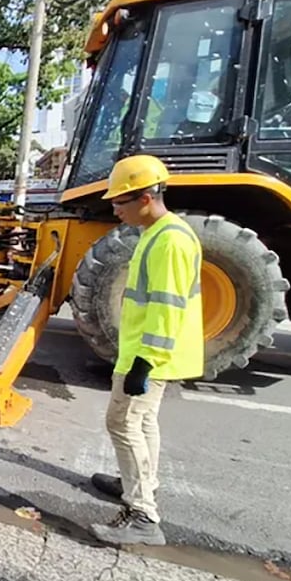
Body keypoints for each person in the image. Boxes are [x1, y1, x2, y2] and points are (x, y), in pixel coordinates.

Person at [89, 155, 203, 547]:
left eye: (119, 202)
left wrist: (144, 363)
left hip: (149, 355)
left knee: (122, 423)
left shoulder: (169, 240)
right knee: (143, 422)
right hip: (151, 352)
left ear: (145, 197)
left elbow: (167, 309)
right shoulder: (161, 233)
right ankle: (140, 481)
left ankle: (142, 514)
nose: (114, 209)